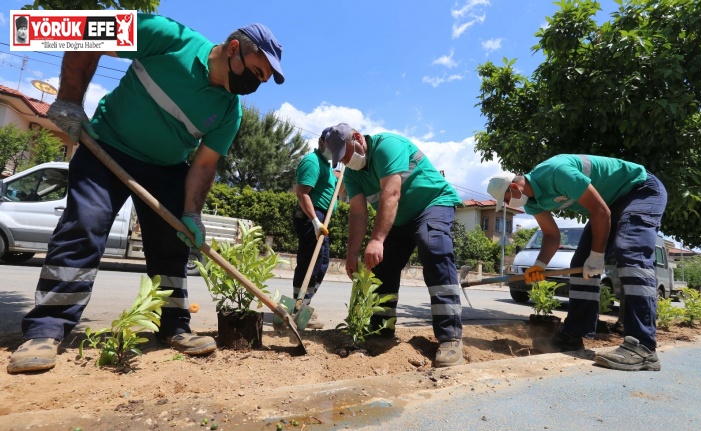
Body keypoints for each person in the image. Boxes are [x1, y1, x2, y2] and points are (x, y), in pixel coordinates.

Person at [7, 13, 285, 374]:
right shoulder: (169, 37)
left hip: (167, 169)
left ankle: (174, 328)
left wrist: (192, 213)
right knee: (84, 225)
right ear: (234, 49)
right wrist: (69, 101)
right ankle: (46, 329)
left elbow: (203, 165)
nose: (256, 84)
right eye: (257, 73)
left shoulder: (228, 111)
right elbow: (88, 34)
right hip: (106, 146)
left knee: (173, 246)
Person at [487, 154, 667, 371]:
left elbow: (600, 212)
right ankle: (574, 334)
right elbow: (552, 236)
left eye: (506, 199)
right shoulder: (532, 203)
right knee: (581, 263)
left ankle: (643, 346)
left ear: (514, 188)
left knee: (631, 252)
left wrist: (598, 256)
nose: (507, 205)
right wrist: (540, 265)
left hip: (640, 190)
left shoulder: (556, 172)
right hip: (610, 204)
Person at [324, 123, 464, 368]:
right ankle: (381, 330)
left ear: (357, 138)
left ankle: (450, 338)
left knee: (433, 246)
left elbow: (391, 194)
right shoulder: (353, 172)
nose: (346, 161)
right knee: (381, 264)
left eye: (346, 153)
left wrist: (377, 240)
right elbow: (357, 213)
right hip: (399, 218)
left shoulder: (387, 145)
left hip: (432, 204)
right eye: (341, 159)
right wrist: (352, 253)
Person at [291, 127, 338, 329]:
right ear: (321, 141)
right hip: (312, 217)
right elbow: (302, 194)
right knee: (309, 263)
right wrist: (315, 221)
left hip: (321, 218)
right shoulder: (312, 161)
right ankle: (297, 307)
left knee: (321, 264)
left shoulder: (326, 165)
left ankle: (304, 304)